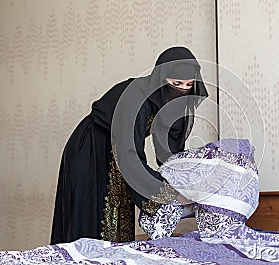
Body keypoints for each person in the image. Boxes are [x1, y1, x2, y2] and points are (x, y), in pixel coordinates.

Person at [51, 46, 208, 244]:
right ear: (161, 79)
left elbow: (170, 153)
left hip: (118, 151)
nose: (182, 89)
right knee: (91, 219)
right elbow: (128, 156)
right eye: (176, 83)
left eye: (188, 84)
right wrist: (169, 194)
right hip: (92, 150)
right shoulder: (136, 96)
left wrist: (187, 184)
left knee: (118, 220)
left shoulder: (169, 101)